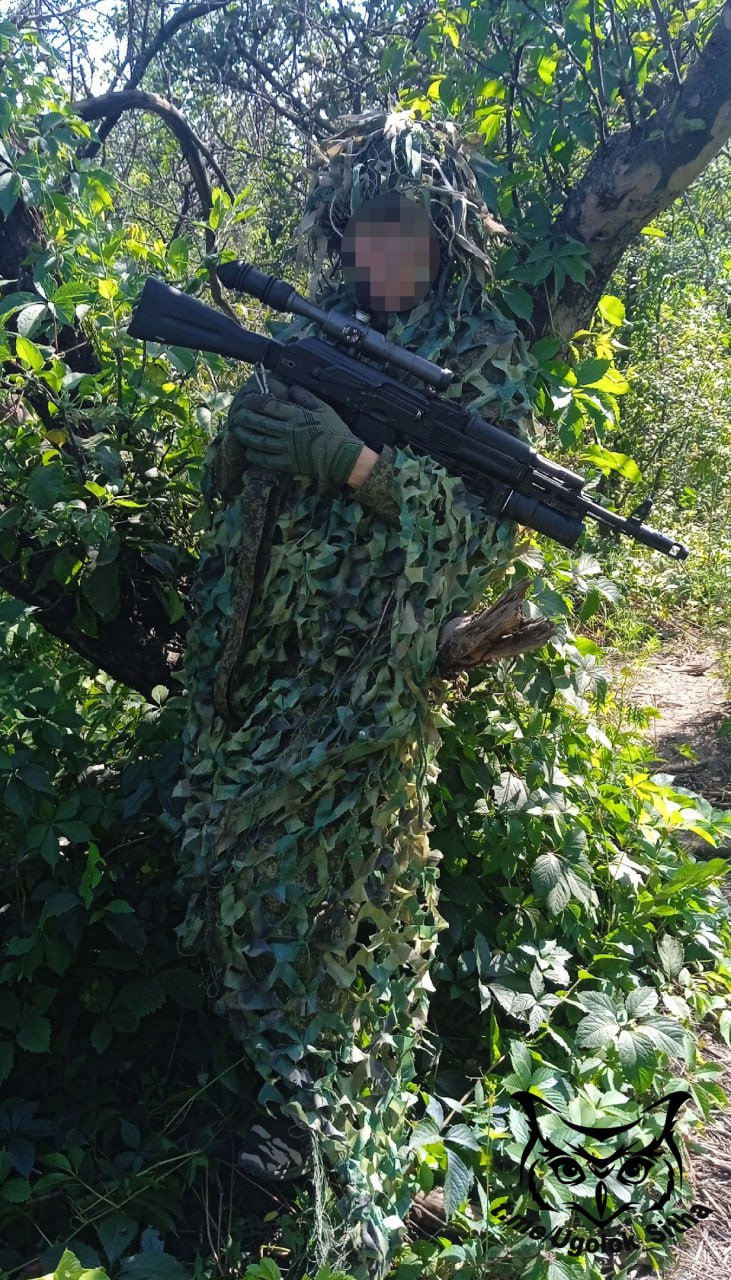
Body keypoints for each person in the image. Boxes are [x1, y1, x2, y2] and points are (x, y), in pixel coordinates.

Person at [173, 107, 542, 1278]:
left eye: (402, 229)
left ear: (440, 230)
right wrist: (240, 443)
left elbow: (479, 532)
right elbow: (226, 495)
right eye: (361, 228)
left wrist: (359, 464)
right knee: (231, 876)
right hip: (252, 674)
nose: (380, 254)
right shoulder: (314, 324)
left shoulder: (478, 353)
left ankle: (317, 1136)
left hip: (365, 693)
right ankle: (281, 1104)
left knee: (336, 910)